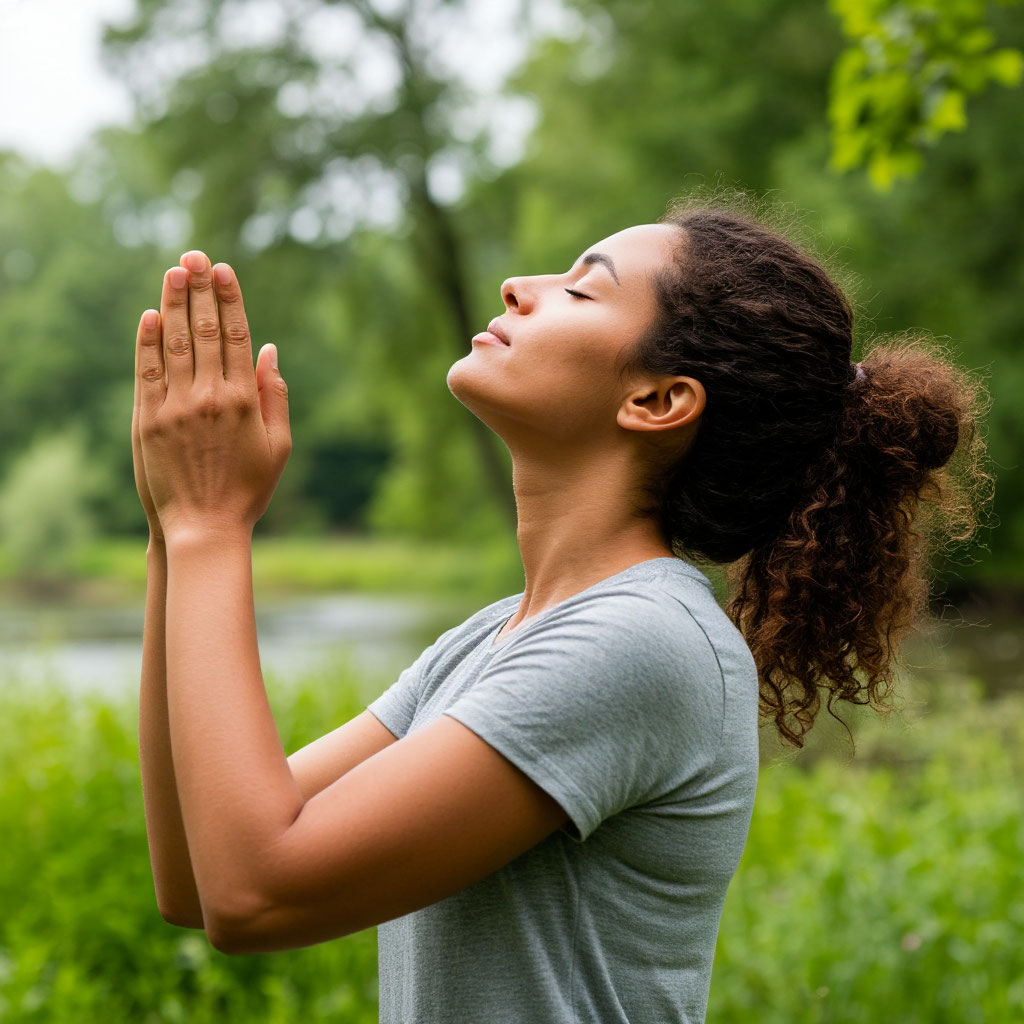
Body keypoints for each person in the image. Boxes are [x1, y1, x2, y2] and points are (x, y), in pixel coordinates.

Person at [133, 198, 991, 1024]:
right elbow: (195, 882)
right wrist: (175, 533)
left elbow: (256, 893)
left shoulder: (643, 642)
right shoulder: (498, 635)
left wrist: (212, 525)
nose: (520, 287)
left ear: (656, 401)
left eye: (583, 288)